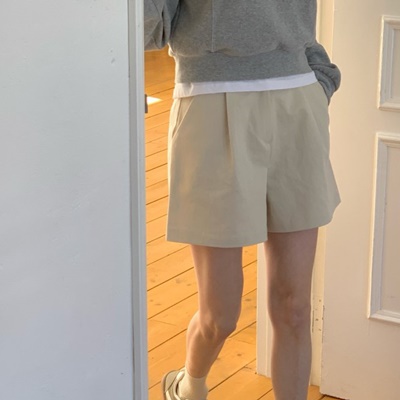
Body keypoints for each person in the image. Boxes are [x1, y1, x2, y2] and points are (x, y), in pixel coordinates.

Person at [144, 1, 341, 400]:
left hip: (295, 102)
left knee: (294, 307)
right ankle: (189, 385)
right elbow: (149, 30)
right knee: (220, 314)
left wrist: (317, 80)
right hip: (210, 100)